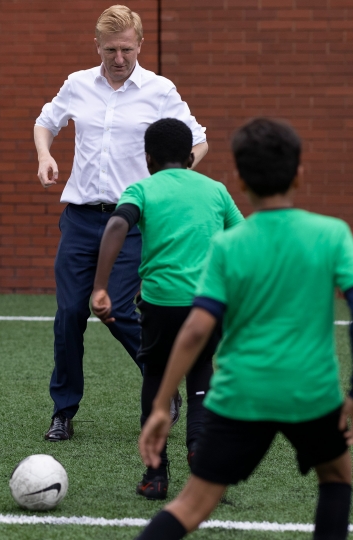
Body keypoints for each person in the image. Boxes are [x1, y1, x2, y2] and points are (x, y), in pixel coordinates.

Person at [135, 118, 353, 539]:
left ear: (242, 182)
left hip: (241, 395)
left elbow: (196, 330)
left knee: (192, 505)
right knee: (337, 478)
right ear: (299, 175)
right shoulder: (332, 234)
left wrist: (161, 406)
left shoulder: (229, 245)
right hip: (312, 392)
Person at [34, 5, 208, 441]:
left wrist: (170, 184)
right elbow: (46, 121)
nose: (118, 58)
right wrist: (45, 154)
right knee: (69, 314)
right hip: (79, 219)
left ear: (140, 45)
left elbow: (199, 141)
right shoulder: (77, 84)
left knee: (117, 310)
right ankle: (63, 411)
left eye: (126, 49)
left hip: (132, 221)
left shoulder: (159, 90)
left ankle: (165, 388)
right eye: (110, 49)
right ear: (97, 46)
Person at [90, 118, 243, 499]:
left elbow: (115, 228)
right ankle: (201, 457)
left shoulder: (141, 188)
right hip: (207, 305)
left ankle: (155, 475)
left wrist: (101, 287)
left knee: (157, 379)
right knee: (203, 377)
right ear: (192, 156)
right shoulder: (216, 190)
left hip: (160, 305)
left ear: (148, 158)